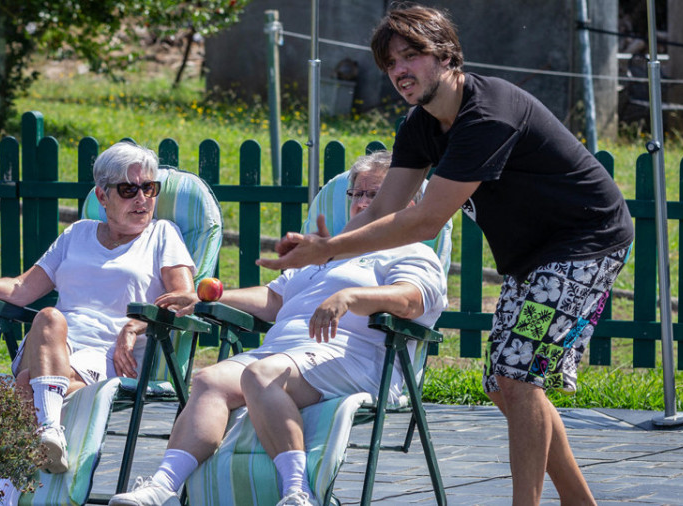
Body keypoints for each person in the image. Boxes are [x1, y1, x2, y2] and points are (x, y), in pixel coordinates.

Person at [257, 5, 635, 506]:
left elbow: (424, 220)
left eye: (411, 56)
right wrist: (322, 256)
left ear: (447, 55)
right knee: (506, 386)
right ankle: (579, 501)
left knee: (517, 379)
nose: (399, 71)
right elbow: (385, 208)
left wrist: (328, 248)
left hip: (586, 241)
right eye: (390, 64)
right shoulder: (420, 125)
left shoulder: (487, 113)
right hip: (533, 258)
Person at [108, 151, 448, 506]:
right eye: (356, 195)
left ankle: (298, 493)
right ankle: (163, 487)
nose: (361, 203)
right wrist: (200, 298)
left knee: (261, 375)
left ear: (407, 202)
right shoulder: (327, 253)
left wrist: (350, 296)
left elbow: (412, 300)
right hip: (285, 353)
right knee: (210, 381)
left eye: (373, 194)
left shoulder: (410, 251)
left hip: (355, 356)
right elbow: (274, 299)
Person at [0, 142, 196, 475]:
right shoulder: (76, 234)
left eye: (149, 188)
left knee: (23, 384)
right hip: (50, 344)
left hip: (108, 357)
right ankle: (49, 430)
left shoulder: (162, 234)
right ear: (102, 196)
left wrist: (134, 326)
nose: (142, 199)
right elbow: (23, 289)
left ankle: (16, 446)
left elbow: (184, 296)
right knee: (49, 317)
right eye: (128, 189)